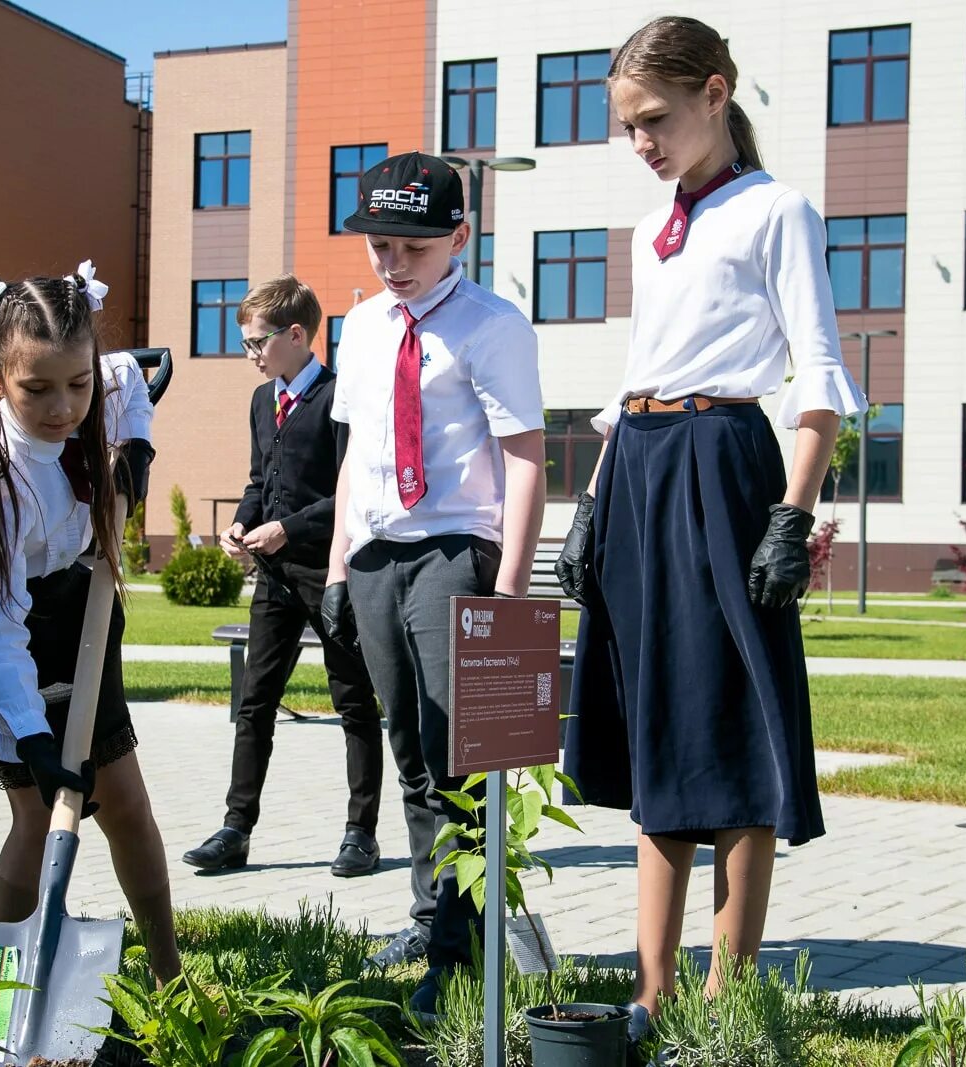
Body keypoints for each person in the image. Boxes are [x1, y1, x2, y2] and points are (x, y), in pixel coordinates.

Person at [554, 16, 865, 1054]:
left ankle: (728, 995)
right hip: (637, 467)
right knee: (654, 719)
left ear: (713, 94)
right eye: (625, 126)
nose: (638, 141)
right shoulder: (653, 233)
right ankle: (652, 992)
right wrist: (591, 502)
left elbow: (817, 373)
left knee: (727, 715)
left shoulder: (778, 211)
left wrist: (792, 511)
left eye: (653, 119)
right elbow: (641, 363)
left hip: (723, 463)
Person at [0, 266, 179, 983]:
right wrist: (31, 735)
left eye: (76, 385)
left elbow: (126, 373)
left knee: (124, 798)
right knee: (37, 814)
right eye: (38, 389)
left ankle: (169, 975)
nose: (65, 408)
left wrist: (137, 445)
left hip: (73, 606)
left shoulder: (90, 375)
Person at [322, 152, 547, 1011]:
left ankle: (462, 949)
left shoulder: (493, 326)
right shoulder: (365, 325)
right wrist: (342, 560)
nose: (394, 262)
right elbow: (353, 451)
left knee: (462, 758)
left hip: (456, 549)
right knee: (409, 750)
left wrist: (511, 588)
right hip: (378, 552)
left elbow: (525, 457)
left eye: (413, 246)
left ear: (460, 235)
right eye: (380, 244)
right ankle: (432, 914)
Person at [183, 275, 384, 878]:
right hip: (273, 574)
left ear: (296, 335)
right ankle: (235, 829)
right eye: (245, 343)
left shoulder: (338, 397)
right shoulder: (261, 400)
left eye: (256, 342)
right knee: (255, 703)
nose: (250, 354)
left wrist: (287, 529)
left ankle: (360, 833)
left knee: (353, 703)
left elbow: (353, 493)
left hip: (332, 571)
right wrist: (243, 524)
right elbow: (257, 481)